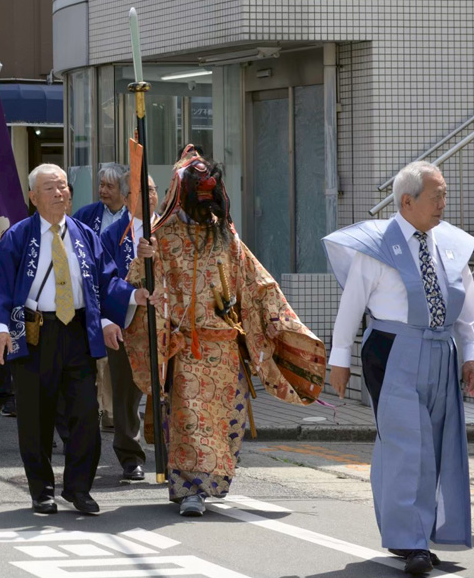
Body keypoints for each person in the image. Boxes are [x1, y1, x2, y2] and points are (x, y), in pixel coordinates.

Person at [127, 147, 324, 518]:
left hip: (225, 347)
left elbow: (256, 283)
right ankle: (189, 489)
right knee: (187, 419)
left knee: (222, 422)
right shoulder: (161, 236)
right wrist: (145, 260)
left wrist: (284, 324)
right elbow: (141, 288)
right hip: (185, 348)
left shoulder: (225, 233)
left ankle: (210, 483)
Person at [324, 161, 474, 576]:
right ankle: (411, 541)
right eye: (436, 195)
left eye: (444, 193)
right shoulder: (377, 245)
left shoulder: (450, 243)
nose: (444, 202)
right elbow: (351, 305)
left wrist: (470, 353)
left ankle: (420, 533)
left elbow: (467, 309)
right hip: (391, 351)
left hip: (441, 351)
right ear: (407, 201)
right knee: (409, 445)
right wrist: (339, 360)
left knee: (439, 444)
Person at [0, 163, 140, 515]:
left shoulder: (84, 234)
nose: (59, 194)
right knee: (36, 415)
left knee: (85, 414)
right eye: (50, 188)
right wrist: (1, 329)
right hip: (35, 331)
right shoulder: (18, 236)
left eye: (63, 187)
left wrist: (130, 297)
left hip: (77, 331)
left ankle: (78, 487)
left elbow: (106, 280)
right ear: (33, 196)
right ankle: (42, 489)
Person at [98, 175, 160, 482]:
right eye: (140, 190)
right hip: (128, 319)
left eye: (151, 189)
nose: (148, 195)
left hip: (167, 324)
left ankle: (173, 453)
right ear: (126, 197)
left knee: (171, 389)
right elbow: (103, 280)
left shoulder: (172, 230)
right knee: (125, 393)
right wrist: (110, 318)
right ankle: (130, 455)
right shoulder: (113, 235)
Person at [72, 163, 130, 236]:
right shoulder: (86, 214)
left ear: (122, 190)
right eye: (102, 185)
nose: (103, 191)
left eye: (109, 186)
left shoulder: (133, 214)